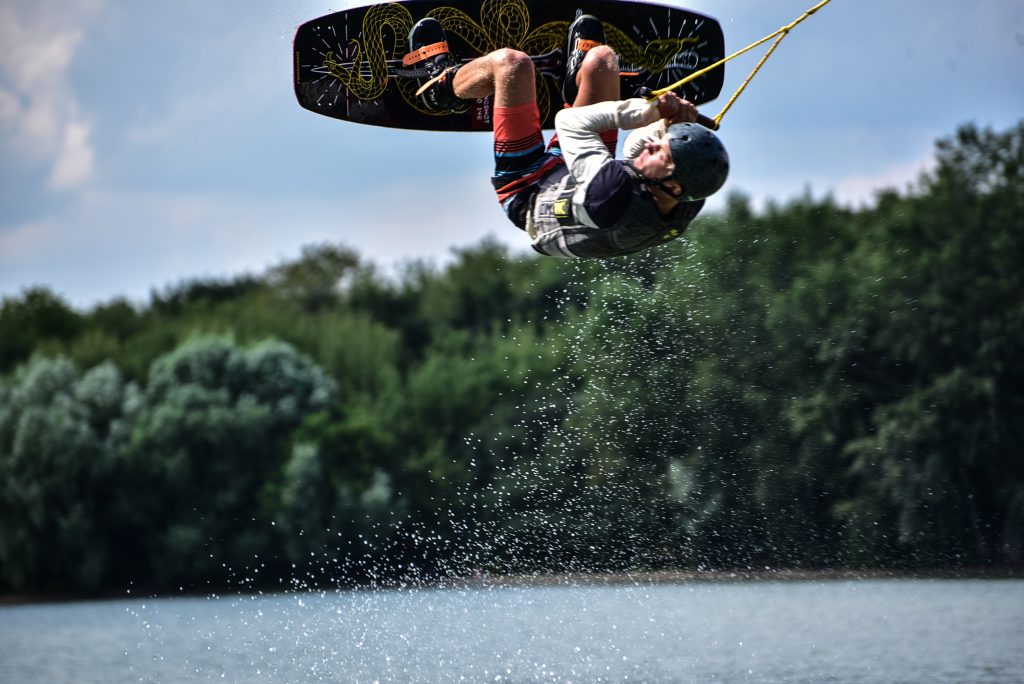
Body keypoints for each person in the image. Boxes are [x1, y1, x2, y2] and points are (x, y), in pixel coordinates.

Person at [404, 14, 729, 258]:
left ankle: (440, 87)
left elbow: (569, 122)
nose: (654, 146)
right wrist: (672, 125)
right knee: (603, 60)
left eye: (662, 153)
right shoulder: (687, 194)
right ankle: (578, 79)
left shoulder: (610, 194)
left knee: (512, 64)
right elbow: (640, 149)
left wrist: (648, 112)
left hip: (528, 190)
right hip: (580, 175)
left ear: (672, 186)